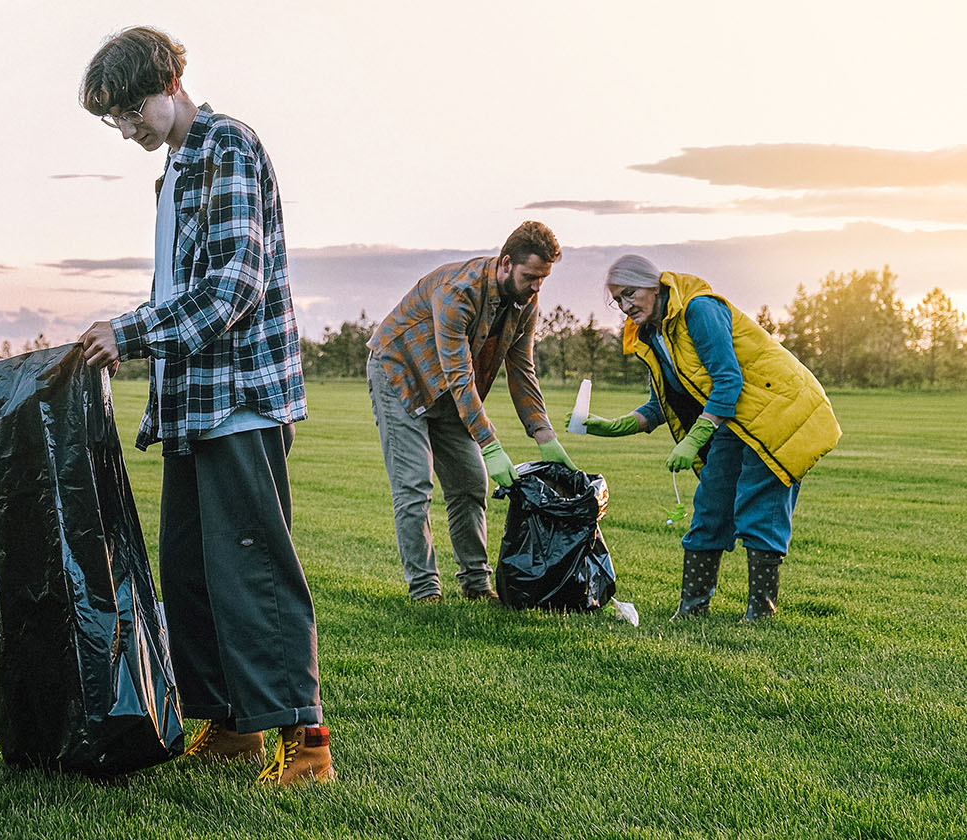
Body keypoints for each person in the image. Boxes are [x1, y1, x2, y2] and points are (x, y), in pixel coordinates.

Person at [75, 26, 332, 786]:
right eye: (111, 121)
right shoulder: (177, 170)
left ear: (167, 83)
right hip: (191, 407)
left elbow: (233, 289)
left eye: (126, 111)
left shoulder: (228, 146)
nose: (123, 130)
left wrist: (128, 333)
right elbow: (183, 291)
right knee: (190, 573)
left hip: (242, 401)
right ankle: (230, 726)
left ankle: (306, 739)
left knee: (253, 572)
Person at [576, 255, 839, 621]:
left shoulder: (698, 310)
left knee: (760, 506)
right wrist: (614, 425)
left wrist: (695, 437)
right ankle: (691, 609)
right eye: (617, 300)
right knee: (711, 504)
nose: (625, 306)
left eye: (629, 294)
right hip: (736, 418)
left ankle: (760, 613)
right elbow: (663, 403)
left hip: (780, 410)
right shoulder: (654, 335)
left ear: (653, 285)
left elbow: (727, 379)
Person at [366, 221, 575, 604]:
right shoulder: (457, 292)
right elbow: (460, 376)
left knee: (470, 484)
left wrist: (544, 434)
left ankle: (477, 586)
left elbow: (522, 370)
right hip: (401, 377)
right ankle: (425, 590)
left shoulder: (526, 303)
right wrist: (491, 444)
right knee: (414, 487)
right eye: (531, 276)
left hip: (450, 390)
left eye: (543, 279)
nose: (537, 287)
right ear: (506, 262)